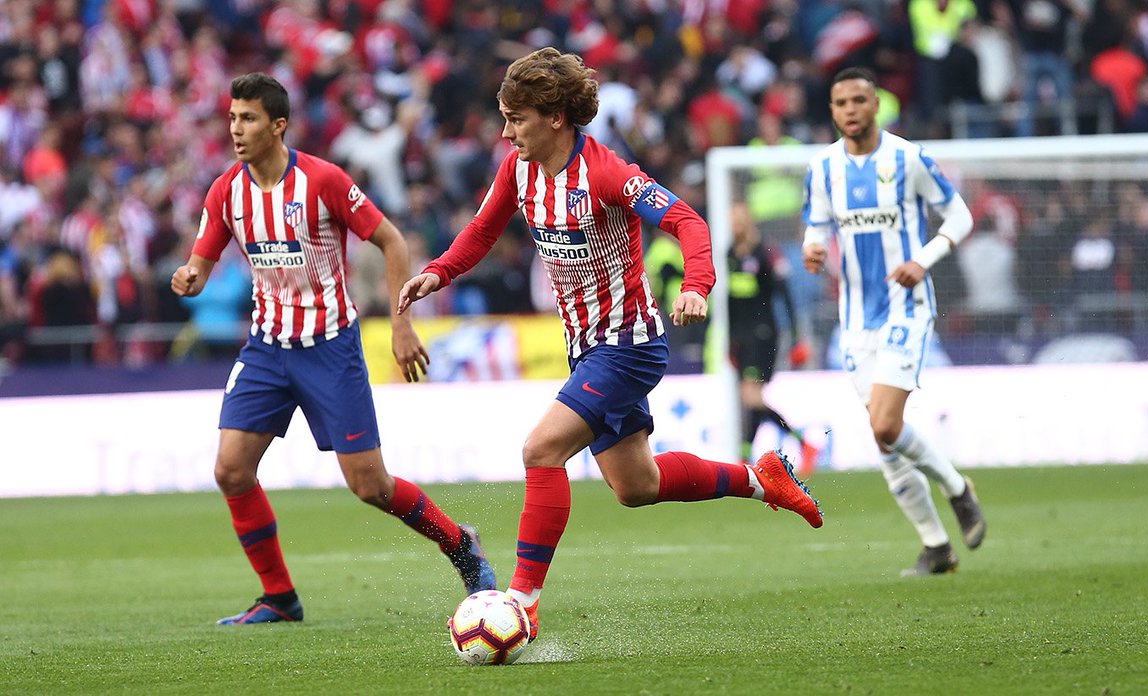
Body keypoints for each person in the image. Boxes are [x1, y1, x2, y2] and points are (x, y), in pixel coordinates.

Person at [397, 48, 823, 641]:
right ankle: (761, 478)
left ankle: (520, 603)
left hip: (629, 344)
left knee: (541, 450)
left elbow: (688, 222)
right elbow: (482, 229)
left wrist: (697, 285)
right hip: (585, 347)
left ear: (553, 117)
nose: (505, 130)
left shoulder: (605, 172)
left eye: (515, 118)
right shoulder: (517, 171)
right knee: (636, 486)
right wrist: (438, 272)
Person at [171, 73, 495, 625]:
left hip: (329, 347)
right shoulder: (227, 190)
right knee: (231, 470)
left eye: (247, 119)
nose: (236, 129)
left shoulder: (322, 181)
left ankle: (459, 543)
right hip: (267, 348)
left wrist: (400, 324)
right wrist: (190, 276)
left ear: (278, 125)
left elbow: (391, 240)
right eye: (231, 118)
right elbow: (200, 261)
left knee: (370, 486)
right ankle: (279, 597)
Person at [801, 67, 985, 576]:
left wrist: (923, 259)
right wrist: (811, 250)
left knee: (884, 423)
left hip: (907, 306)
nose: (852, 109)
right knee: (886, 441)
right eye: (842, 103)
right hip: (855, 318)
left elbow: (960, 216)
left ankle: (957, 488)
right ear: (833, 111)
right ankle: (936, 547)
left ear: (876, 104)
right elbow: (815, 226)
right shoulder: (821, 169)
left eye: (861, 99)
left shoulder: (908, 158)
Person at [727, 202, 818, 473]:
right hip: (741, 339)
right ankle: (747, 455)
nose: (736, 225)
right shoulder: (729, 254)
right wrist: (730, 342)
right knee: (752, 398)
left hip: (764, 334)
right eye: (733, 220)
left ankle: (801, 443)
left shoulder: (766, 252)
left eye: (740, 220)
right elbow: (731, 303)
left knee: (751, 396)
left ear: (749, 221)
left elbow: (785, 295)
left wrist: (796, 337)